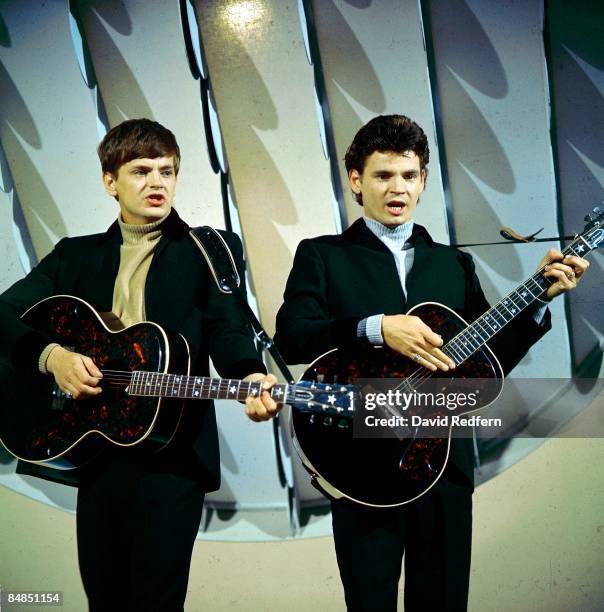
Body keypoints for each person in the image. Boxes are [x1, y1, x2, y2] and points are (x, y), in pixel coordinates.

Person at [274, 114, 589, 611]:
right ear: (356, 180)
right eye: (382, 175)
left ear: (423, 181)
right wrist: (377, 327)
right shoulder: (322, 256)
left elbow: (489, 362)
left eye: (408, 175)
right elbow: (291, 337)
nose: (397, 188)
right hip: (360, 463)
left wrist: (538, 300)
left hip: (443, 466)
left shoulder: (452, 264)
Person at [0, 118, 281, 611]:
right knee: (105, 599)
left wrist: (249, 374)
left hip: (172, 456)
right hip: (96, 451)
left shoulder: (209, 250)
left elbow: (226, 328)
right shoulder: (74, 256)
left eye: (167, 171)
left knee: (155, 602)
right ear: (110, 182)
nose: (157, 182)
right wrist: (52, 357)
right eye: (141, 170)